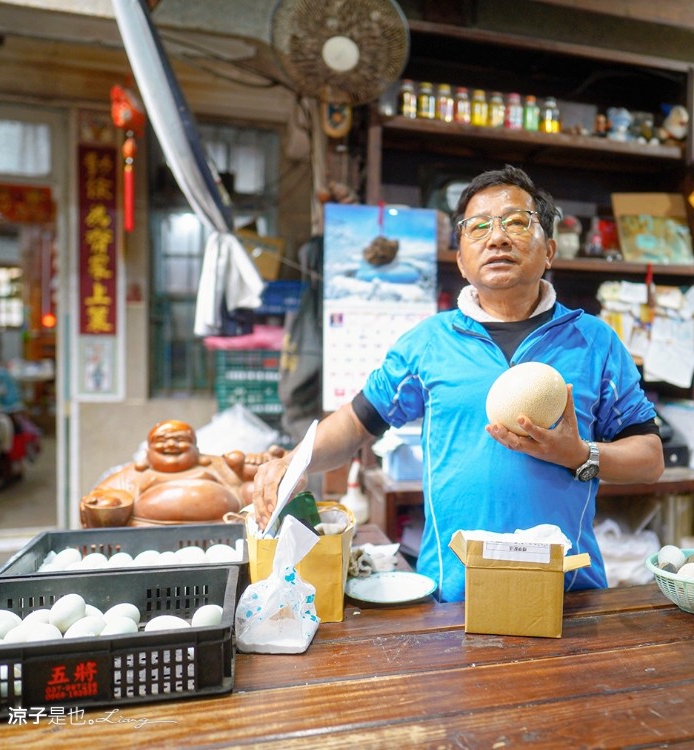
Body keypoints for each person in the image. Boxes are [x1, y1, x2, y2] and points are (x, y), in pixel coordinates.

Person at [253, 164, 664, 601]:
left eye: (517, 222)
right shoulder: (428, 342)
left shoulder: (594, 341)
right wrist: (291, 464)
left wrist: (580, 454)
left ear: (549, 251)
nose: (498, 237)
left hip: (567, 592)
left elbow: (650, 458)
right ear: (462, 261)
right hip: (455, 595)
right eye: (477, 227)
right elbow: (356, 423)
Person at [81, 419, 284, 527]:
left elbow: (246, 473)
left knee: (254, 489)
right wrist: (104, 501)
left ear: (196, 447)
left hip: (225, 527)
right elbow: (104, 493)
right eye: (162, 440)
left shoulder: (212, 464)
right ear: (148, 451)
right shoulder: (135, 473)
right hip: (147, 534)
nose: (171, 444)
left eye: (180, 440)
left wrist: (261, 461)